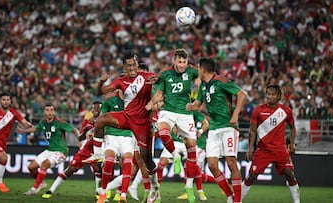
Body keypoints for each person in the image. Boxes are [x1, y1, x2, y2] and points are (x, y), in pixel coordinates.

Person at [83, 50, 160, 203]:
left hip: (142, 124)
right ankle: (98, 154)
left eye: (134, 64)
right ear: (124, 66)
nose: (132, 68)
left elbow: (161, 87)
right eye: (129, 65)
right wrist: (100, 82)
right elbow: (99, 92)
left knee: (147, 159)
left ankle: (155, 186)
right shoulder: (120, 80)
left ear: (137, 64)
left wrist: (157, 86)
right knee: (101, 120)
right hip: (126, 117)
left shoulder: (147, 77)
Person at [186, 57, 247, 203]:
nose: (197, 71)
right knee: (212, 164)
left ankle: (237, 200)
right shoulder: (202, 86)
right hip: (213, 128)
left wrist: (235, 115)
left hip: (228, 127)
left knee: (231, 161)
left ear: (202, 69)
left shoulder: (221, 81)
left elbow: (242, 94)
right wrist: (189, 106)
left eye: (198, 68)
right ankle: (229, 196)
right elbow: (198, 104)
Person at [145, 48, 200, 203]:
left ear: (187, 62)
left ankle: (189, 186)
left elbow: (204, 77)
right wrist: (150, 103)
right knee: (163, 132)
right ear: (174, 61)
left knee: (192, 150)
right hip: (168, 111)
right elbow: (159, 93)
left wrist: (199, 90)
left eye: (184, 62)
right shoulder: (165, 73)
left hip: (185, 114)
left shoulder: (192, 71)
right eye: (179, 61)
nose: (182, 65)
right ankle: (175, 155)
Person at [241, 84, 300, 203]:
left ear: (278, 96)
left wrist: (292, 144)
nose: (269, 96)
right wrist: (250, 149)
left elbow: (293, 127)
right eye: (268, 94)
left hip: (280, 150)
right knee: (251, 175)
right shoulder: (258, 110)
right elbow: (252, 131)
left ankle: (297, 201)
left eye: (273, 94)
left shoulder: (286, 111)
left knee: (290, 174)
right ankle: (237, 200)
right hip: (263, 150)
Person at [41, 101, 103, 199]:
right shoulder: (87, 122)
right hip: (86, 150)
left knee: (98, 169)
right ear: (91, 110)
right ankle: (50, 190)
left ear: (102, 110)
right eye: (94, 108)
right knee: (71, 169)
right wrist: (85, 133)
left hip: (99, 150)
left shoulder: (105, 122)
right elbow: (80, 138)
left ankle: (99, 193)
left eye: (98, 108)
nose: (96, 110)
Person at [18, 104, 80, 195]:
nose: (50, 112)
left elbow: (74, 130)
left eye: (51, 110)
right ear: (44, 112)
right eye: (47, 110)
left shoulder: (59, 122)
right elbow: (35, 128)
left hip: (61, 151)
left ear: (54, 112)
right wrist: (23, 131)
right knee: (31, 167)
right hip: (50, 150)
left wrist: (80, 140)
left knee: (45, 164)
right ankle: (41, 183)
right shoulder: (43, 123)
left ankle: (34, 189)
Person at [0, 92, 33, 192]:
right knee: (4, 158)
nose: (6, 101)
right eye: (4, 99)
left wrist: (30, 126)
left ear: (10, 101)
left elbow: (24, 122)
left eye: (8, 99)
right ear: (0, 101)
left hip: (2, 143)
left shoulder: (14, 113)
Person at [96, 90, 136, 203]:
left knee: (128, 163)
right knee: (109, 162)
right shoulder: (110, 101)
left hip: (127, 137)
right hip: (111, 136)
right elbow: (100, 119)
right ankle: (103, 193)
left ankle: (123, 195)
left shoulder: (134, 103)